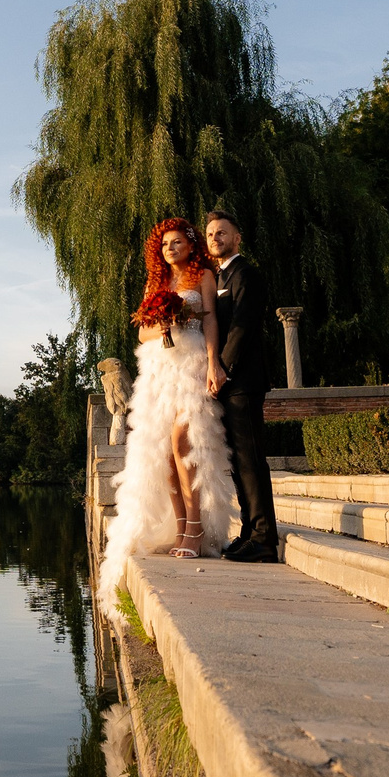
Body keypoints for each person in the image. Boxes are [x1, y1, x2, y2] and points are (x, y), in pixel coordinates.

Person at [95, 217, 237, 620]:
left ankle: (196, 527)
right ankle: (180, 526)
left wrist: (214, 362)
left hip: (191, 364)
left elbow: (211, 320)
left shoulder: (204, 276)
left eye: (177, 242)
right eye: (165, 244)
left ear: (191, 246)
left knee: (183, 441)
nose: (170, 248)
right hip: (159, 369)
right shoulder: (154, 285)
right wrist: (162, 323)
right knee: (162, 451)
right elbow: (140, 333)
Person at [205, 210, 280, 562]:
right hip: (224, 381)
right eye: (210, 234)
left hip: (242, 380)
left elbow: (242, 326)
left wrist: (222, 369)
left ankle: (265, 539)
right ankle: (249, 531)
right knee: (236, 460)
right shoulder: (217, 276)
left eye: (222, 232)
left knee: (251, 460)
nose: (215, 238)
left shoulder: (246, 274)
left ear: (237, 238)